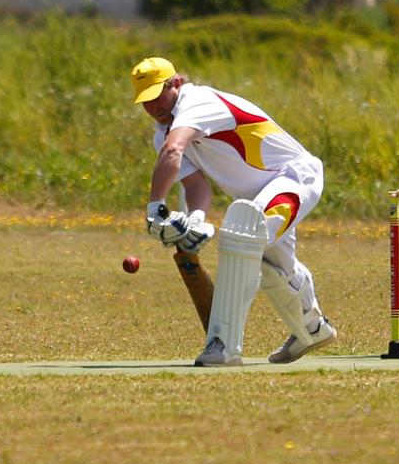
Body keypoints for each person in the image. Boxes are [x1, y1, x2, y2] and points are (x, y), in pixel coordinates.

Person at [132, 57, 336, 367]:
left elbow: (174, 150)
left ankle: (223, 346)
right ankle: (312, 328)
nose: (153, 107)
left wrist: (155, 207)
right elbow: (196, 187)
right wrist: (195, 222)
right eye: (145, 101)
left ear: (176, 83)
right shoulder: (162, 132)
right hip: (255, 197)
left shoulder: (198, 101)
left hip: (292, 176)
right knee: (271, 265)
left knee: (241, 237)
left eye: (157, 95)